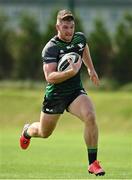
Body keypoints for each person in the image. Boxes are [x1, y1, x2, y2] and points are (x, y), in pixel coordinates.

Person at [20, 9, 105, 176]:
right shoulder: (50, 48)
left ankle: (93, 163)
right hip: (56, 96)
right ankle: (27, 130)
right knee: (44, 133)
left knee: (90, 115)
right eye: (65, 27)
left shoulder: (79, 38)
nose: (69, 31)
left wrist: (91, 69)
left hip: (75, 92)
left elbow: (83, 47)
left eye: (72, 27)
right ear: (57, 26)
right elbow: (50, 77)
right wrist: (69, 73)